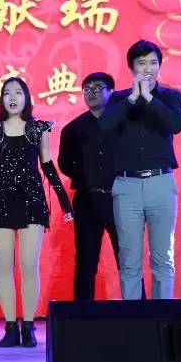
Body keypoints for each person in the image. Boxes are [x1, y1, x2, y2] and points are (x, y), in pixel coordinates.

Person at [0, 78, 72, 348]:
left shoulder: (38, 128)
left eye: (18, 93)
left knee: (29, 264)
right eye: (7, 93)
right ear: (1, 99)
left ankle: (28, 326)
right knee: (4, 265)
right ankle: (10, 327)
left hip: (31, 201)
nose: (13, 98)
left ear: (27, 97)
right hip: (0, 201)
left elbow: (48, 166)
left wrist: (64, 201)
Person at [99, 40, 181, 299]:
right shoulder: (118, 99)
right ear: (131, 68)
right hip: (127, 186)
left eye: (153, 63)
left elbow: (176, 124)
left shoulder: (171, 97)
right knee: (129, 260)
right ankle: (133, 318)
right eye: (141, 63)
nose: (148, 68)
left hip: (161, 183)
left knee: (162, 258)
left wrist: (149, 98)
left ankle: (163, 315)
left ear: (160, 65)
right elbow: (104, 126)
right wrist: (132, 99)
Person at [58, 72, 120, 301]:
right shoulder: (73, 129)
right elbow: (65, 164)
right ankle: (82, 315)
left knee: (128, 260)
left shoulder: (124, 123)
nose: (91, 92)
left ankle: (136, 312)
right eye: (87, 89)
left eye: (97, 87)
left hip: (121, 198)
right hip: (87, 200)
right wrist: (88, 175)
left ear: (111, 92)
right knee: (85, 261)